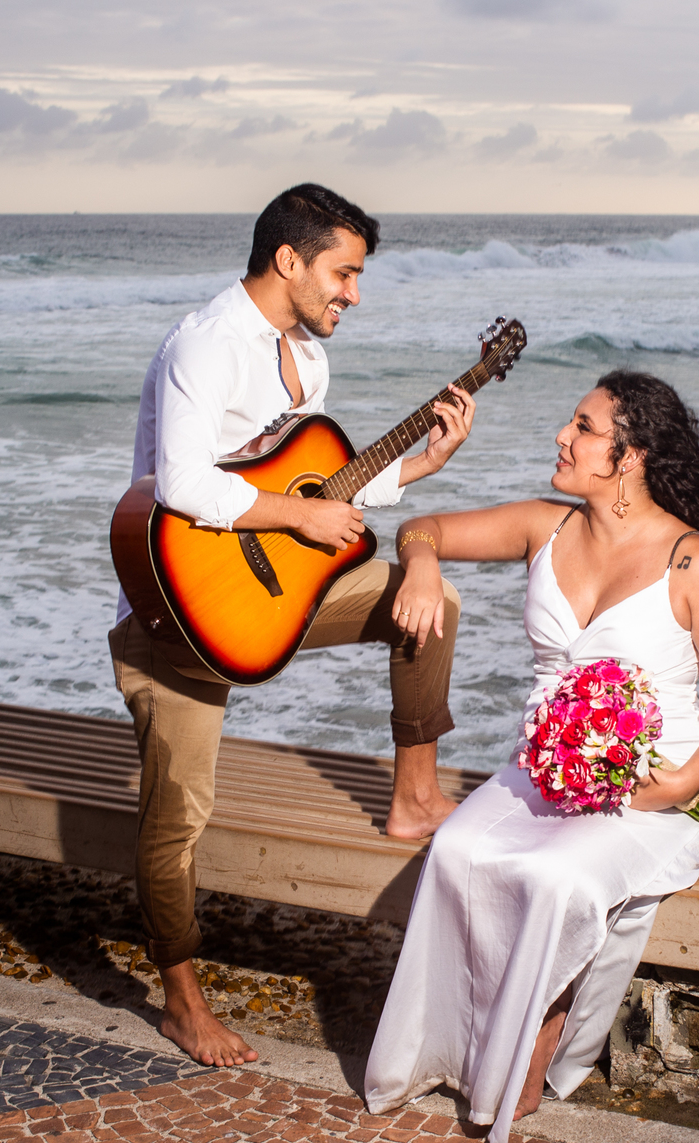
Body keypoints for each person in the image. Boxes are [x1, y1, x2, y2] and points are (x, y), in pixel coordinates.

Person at [108, 184, 475, 1069]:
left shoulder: (306, 360)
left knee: (430, 605)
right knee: (177, 815)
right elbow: (186, 483)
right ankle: (182, 999)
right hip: (178, 611)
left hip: (270, 597)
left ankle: (412, 796)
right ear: (289, 261)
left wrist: (420, 467)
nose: (353, 293)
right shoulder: (205, 343)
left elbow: (319, 484)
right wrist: (299, 520)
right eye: (343, 273)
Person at [363, 370, 699, 1143]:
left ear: (631, 456)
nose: (562, 436)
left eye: (583, 428)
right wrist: (420, 567)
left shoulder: (693, 565)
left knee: (560, 880)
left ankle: (540, 1039)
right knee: (456, 849)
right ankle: (443, 1048)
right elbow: (425, 528)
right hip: (542, 769)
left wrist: (684, 784)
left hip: (652, 789)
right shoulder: (541, 527)